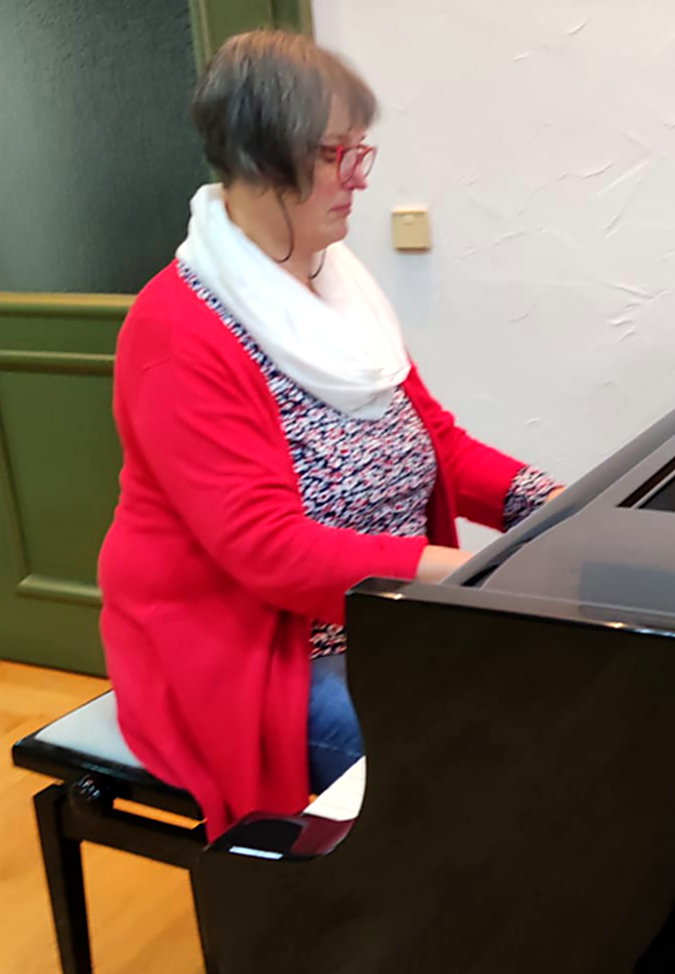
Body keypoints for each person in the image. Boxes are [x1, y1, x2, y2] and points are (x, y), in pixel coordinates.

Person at [98, 30, 561, 838]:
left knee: (543, 702)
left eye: (359, 152)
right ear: (258, 156)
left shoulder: (334, 283)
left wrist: (550, 504)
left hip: (379, 614)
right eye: (332, 154)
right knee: (481, 753)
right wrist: (458, 572)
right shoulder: (175, 329)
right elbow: (267, 549)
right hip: (249, 655)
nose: (357, 179)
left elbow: (436, 443)